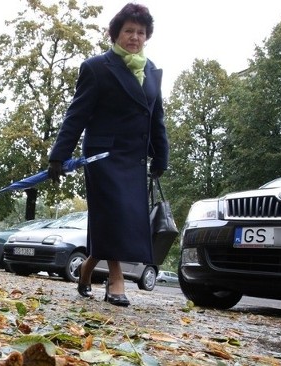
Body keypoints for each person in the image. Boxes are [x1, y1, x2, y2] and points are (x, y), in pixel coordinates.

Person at [47, 3, 169, 307]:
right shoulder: (97, 67)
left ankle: (88, 268)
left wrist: (161, 154)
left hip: (134, 157)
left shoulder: (152, 71)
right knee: (114, 214)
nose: (135, 37)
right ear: (116, 33)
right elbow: (76, 116)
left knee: (123, 219)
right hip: (103, 156)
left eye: (140, 32)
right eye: (129, 30)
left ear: (147, 36)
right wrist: (58, 156)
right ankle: (116, 280)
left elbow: (157, 118)